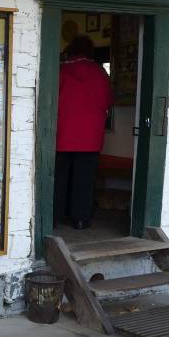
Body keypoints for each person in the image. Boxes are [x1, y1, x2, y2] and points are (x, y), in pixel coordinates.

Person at [55, 35, 114, 230]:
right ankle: (80, 219)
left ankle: (55, 216)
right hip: (90, 137)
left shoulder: (61, 71)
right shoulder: (100, 73)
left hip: (62, 135)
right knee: (84, 180)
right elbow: (107, 102)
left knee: (59, 178)